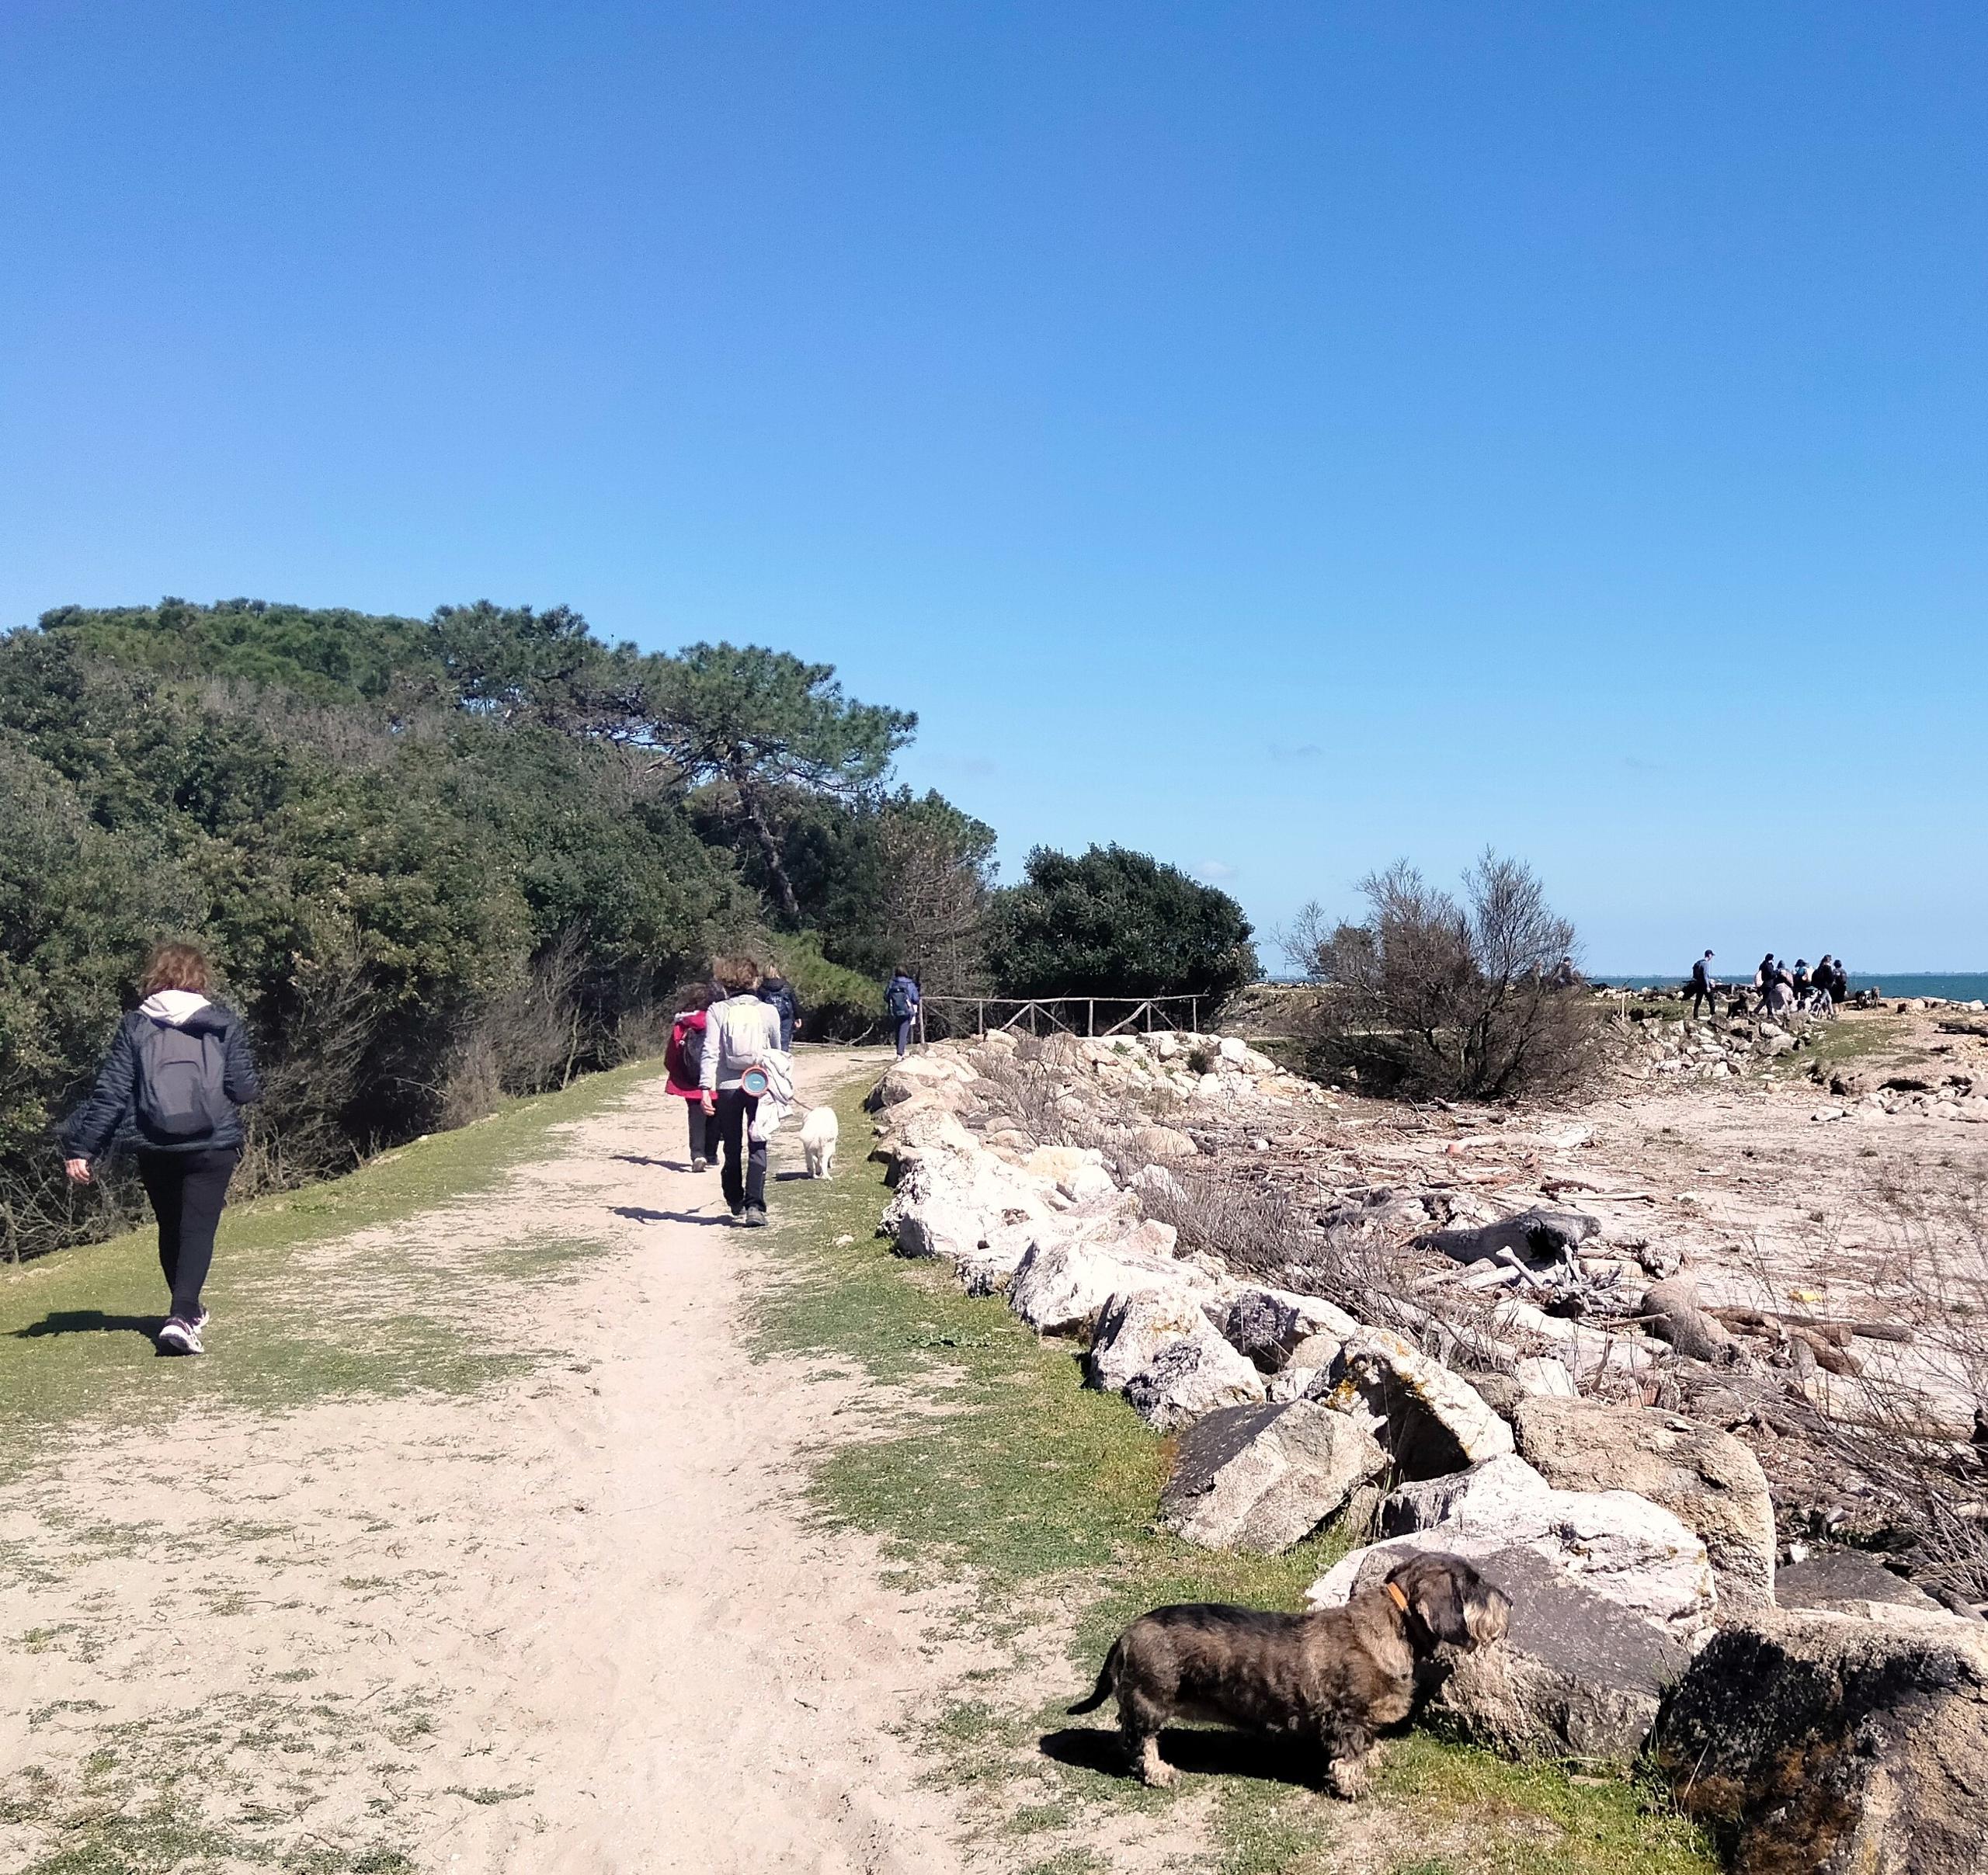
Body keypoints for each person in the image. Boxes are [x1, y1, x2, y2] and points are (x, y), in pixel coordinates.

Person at [60, 941, 261, 1356]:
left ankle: (185, 1310)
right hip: (213, 1143)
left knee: (172, 1226)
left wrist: (83, 1149)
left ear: (155, 976)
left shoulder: (135, 1025)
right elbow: (244, 1090)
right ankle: (183, 1314)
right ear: (200, 977)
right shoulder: (222, 1022)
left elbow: (111, 1094)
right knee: (198, 1228)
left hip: (156, 1143)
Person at [699, 956, 784, 1226]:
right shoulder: (768, 1011)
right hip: (759, 1084)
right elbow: (777, 1052)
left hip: (726, 1088)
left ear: (725, 981)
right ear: (755, 980)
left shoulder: (717, 1011)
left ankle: (734, 1197)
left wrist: (704, 1088)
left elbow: (710, 1052)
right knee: (758, 1142)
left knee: (732, 1146)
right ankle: (755, 1207)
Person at [664, 986, 718, 1171]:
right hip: (714, 1077)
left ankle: (698, 1154)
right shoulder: (717, 1020)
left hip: (691, 1078)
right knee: (714, 1113)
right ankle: (711, 1153)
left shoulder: (682, 1023)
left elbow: (673, 1052)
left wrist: (676, 1071)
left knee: (696, 1115)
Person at [756, 969, 799, 1051]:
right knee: (784, 1042)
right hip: (785, 1018)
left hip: (768, 1018)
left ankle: (771, 1061)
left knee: (768, 1042)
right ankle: (783, 1061)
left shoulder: (762, 988)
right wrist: (798, 1017)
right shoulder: (786, 986)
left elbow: (758, 1004)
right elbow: (794, 1001)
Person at [885, 967, 920, 1057]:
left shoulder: (892, 983)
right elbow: (916, 998)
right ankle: (900, 1053)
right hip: (907, 1010)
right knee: (903, 1032)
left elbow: (886, 997)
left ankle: (899, 1051)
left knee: (898, 1031)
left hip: (895, 1011)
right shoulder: (909, 984)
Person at [1688, 950, 1718, 1019]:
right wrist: (1708, 986)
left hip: (1698, 984)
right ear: (1709, 955)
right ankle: (1713, 1015)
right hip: (1704, 985)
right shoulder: (1706, 964)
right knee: (1711, 1000)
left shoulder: (1699, 962)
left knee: (1698, 1000)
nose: (1712, 957)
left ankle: (1695, 1016)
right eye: (1712, 956)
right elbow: (1705, 975)